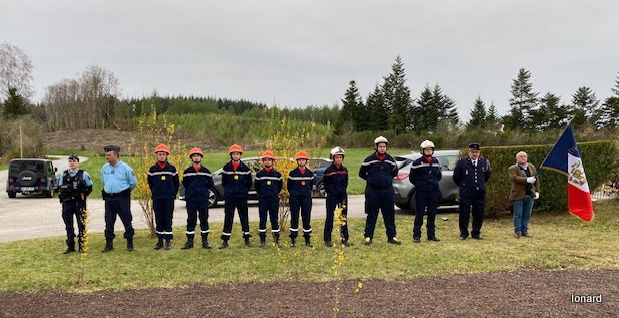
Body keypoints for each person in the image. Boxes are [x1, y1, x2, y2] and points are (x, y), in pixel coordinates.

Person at [360, 136, 401, 245]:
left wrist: (385, 180)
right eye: (380, 146)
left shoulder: (391, 160)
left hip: (387, 191)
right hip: (373, 191)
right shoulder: (368, 160)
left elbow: (394, 173)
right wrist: (372, 180)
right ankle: (368, 236)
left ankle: (392, 236)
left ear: (386, 147)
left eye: (384, 146)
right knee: (372, 214)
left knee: (389, 214)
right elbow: (362, 173)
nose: (382, 148)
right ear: (376, 147)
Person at [101, 145, 137, 252]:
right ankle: (109, 244)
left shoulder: (126, 168)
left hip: (122, 198)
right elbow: (104, 182)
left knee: (126, 220)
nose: (106, 157)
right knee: (108, 221)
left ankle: (129, 243)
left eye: (109, 155)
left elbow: (133, 183)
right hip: (109, 199)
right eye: (106, 155)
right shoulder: (104, 168)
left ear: (116, 155)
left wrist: (123, 192)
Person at [453, 143, 492, 240]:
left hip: (479, 192)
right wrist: (464, 186)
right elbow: (456, 177)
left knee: (478, 213)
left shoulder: (484, 162)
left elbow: (487, 176)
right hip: (466, 192)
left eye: (476, 152)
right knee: (464, 213)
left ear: (479, 153)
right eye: (472, 152)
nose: (474, 154)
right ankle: (464, 233)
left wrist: (480, 185)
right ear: (469, 152)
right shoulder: (462, 162)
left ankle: (476, 233)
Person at [219, 144, 253, 249]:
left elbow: (249, 183)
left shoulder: (245, 169)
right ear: (231, 155)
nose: (235, 155)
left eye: (237, 154)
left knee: (244, 217)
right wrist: (229, 191)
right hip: (230, 197)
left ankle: (247, 239)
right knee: (228, 217)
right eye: (234, 154)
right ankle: (225, 240)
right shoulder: (226, 168)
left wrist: (243, 191)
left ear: (240, 155)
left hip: (241, 197)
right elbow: (224, 182)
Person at [181, 147, 214, 249]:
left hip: (203, 199)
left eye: (198, 156)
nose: (196, 157)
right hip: (191, 200)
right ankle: (189, 242)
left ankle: (205, 241)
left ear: (201, 157)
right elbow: (185, 184)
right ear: (192, 158)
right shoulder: (187, 172)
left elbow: (210, 184)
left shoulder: (206, 171)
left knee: (204, 219)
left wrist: (203, 191)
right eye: (194, 156)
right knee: (191, 219)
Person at [58, 154, 93, 253]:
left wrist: (83, 196)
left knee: (81, 225)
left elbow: (90, 187)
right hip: (67, 203)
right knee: (68, 225)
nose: (71, 163)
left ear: (78, 162)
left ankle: (82, 246)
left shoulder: (84, 174)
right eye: (70, 161)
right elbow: (60, 187)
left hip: (79, 203)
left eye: (74, 161)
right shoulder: (63, 174)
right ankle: (70, 246)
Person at [147, 144, 179, 250]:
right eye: (160, 154)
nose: (161, 156)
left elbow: (176, 183)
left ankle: (168, 240)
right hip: (157, 198)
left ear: (167, 155)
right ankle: (160, 241)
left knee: (168, 218)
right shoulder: (152, 170)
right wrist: (155, 192)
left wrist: (172, 194)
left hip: (168, 198)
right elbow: (150, 183)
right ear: (156, 155)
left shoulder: (172, 169)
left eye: (163, 154)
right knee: (159, 218)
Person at [409, 140, 442, 243]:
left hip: (433, 192)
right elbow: (412, 178)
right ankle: (416, 235)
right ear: (422, 150)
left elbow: (439, 176)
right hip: (421, 192)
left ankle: (431, 235)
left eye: (430, 149)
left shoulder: (437, 162)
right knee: (419, 214)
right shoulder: (417, 163)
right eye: (426, 149)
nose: (428, 151)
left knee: (432, 214)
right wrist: (420, 185)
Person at [254, 150, 283, 247]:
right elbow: (257, 187)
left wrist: (274, 194)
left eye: (269, 160)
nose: (267, 162)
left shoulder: (277, 175)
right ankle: (262, 241)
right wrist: (262, 195)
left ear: (272, 161)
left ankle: (276, 240)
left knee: (274, 220)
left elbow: (279, 187)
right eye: (265, 160)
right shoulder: (259, 175)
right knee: (262, 219)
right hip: (263, 200)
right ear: (263, 162)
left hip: (273, 200)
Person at [508, 151, 540, 238]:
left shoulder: (531, 167)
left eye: (524, 156)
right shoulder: (512, 168)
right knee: (518, 214)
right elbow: (515, 178)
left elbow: (536, 179)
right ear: (517, 159)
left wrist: (537, 191)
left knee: (527, 214)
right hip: (518, 195)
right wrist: (527, 180)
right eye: (521, 156)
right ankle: (517, 231)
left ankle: (524, 231)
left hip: (530, 194)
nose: (523, 158)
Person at [323, 146, 351, 247]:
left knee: (343, 217)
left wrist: (341, 192)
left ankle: (344, 238)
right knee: (329, 217)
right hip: (331, 197)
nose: (339, 159)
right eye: (337, 157)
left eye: (340, 157)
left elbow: (346, 182)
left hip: (342, 196)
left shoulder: (345, 170)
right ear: (333, 158)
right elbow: (325, 185)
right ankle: (327, 239)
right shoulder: (328, 171)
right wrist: (332, 192)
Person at [287, 150, 315, 247]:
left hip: (306, 199)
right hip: (295, 198)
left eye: (303, 160)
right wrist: (295, 194)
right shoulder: (292, 174)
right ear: (297, 161)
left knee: (306, 218)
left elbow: (311, 186)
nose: (301, 161)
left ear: (306, 161)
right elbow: (289, 186)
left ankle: (307, 239)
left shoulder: (310, 174)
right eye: (300, 160)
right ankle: (293, 239)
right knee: (294, 218)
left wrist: (306, 193)